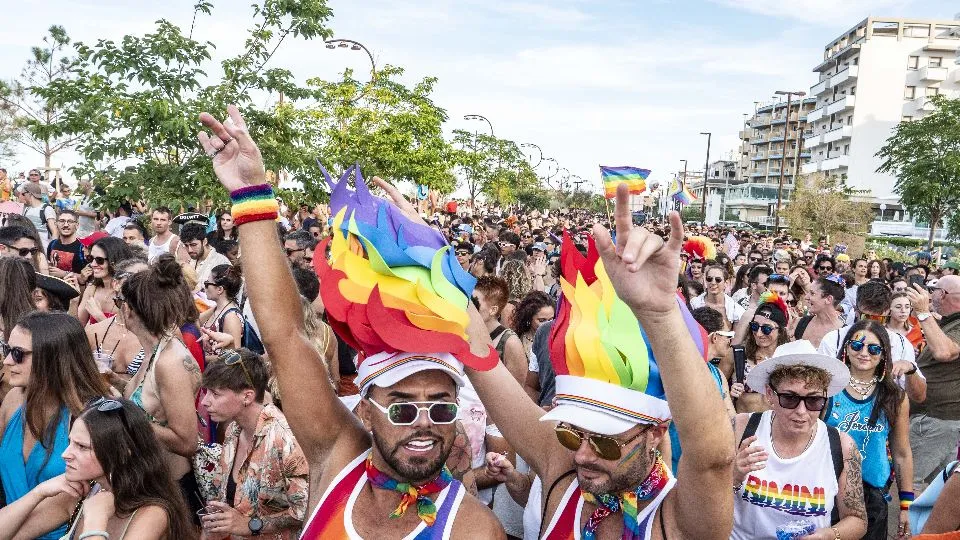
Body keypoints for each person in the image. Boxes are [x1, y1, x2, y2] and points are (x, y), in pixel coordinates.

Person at [198, 105, 505, 539]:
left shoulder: (473, 529)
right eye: (401, 406)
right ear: (364, 408)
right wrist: (251, 195)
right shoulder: (337, 458)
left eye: (441, 406)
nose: (424, 422)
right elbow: (285, 336)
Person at [463, 188, 735, 539]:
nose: (582, 456)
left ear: (654, 434)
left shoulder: (680, 521)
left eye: (605, 442)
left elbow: (713, 459)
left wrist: (660, 313)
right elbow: (482, 361)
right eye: (573, 434)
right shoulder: (562, 470)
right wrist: (428, 255)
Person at [0, 398, 196, 540]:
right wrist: (38, 492)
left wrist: (95, 522)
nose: (65, 454)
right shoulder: (81, 492)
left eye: (82, 447)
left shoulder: (153, 513)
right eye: (70, 442)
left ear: (121, 452)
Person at [731, 340, 867, 539]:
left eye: (813, 400)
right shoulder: (741, 430)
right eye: (790, 398)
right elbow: (701, 500)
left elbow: (857, 519)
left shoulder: (841, 446)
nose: (801, 412)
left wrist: (828, 535)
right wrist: (733, 476)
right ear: (770, 394)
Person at [0, 312, 111, 539]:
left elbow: (65, 506)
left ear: (51, 358)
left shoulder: (90, 415)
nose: (7, 360)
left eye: (18, 354)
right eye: (6, 349)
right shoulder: (12, 400)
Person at [119, 254, 205, 519]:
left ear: (129, 309)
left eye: (118, 301)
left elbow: (187, 441)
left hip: (171, 492)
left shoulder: (169, 360)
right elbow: (154, 401)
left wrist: (127, 416)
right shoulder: (154, 350)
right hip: (149, 484)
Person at [199, 349, 310, 539]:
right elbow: (220, 499)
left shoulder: (284, 440)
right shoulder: (233, 431)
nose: (205, 402)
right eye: (206, 392)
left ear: (247, 397)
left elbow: (304, 511)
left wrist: (251, 525)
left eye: (215, 394)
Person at [825, 320, 914, 539]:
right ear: (846, 348)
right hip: (828, 492)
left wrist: (906, 506)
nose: (864, 353)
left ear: (883, 354)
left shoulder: (895, 398)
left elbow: (902, 453)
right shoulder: (827, 390)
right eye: (857, 346)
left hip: (872, 499)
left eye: (874, 349)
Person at [818, 280, 927, 404]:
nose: (871, 325)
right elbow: (820, 387)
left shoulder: (900, 344)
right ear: (856, 311)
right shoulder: (834, 340)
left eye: (878, 319)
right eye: (866, 317)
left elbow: (919, 397)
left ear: (888, 313)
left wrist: (910, 370)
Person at [904, 276, 960, 489]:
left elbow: (944, 352)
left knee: (910, 482)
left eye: (933, 290)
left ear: (943, 294)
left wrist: (923, 313)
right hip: (937, 419)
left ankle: (908, 522)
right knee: (941, 486)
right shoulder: (950, 322)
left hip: (935, 420)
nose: (929, 294)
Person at [85, 258, 149, 390]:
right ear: (116, 284)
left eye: (147, 280)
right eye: (134, 278)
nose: (141, 285)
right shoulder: (93, 332)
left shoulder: (160, 333)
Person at [731, 293, 791, 413]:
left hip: (776, 428)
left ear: (781, 331)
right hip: (746, 426)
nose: (758, 333)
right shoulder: (738, 355)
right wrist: (729, 394)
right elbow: (717, 393)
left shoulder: (790, 359)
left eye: (767, 329)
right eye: (754, 326)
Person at [473, 276, 528, 384]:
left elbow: (517, 391)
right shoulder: (465, 333)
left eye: (475, 303)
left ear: (493, 310)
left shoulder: (509, 342)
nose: (469, 307)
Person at [77, 237, 135, 325]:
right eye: (90, 258)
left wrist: (99, 317)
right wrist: (74, 301)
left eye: (99, 260)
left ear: (115, 261)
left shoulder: (128, 294)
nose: (92, 264)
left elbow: (128, 335)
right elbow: (78, 326)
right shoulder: (92, 288)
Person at [198, 264, 245, 354]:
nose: (205, 287)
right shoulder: (217, 309)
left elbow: (232, 357)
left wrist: (200, 359)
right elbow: (195, 321)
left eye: (207, 284)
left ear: (219, 289)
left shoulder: (231, 317)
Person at [793, 276, 845, 348]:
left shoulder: (844, 333)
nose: (806, 297)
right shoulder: (800, 323)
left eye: (812, 293)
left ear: (828, 299)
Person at [180, 222, 231, 293]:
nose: (190, 250)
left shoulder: (221, 262)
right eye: (186, 245)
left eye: (193, 245)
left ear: (204, 241)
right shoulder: (190, 261)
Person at [691, 263, 745, 328]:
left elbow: (736, 337)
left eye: (718, 280)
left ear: (726, 283)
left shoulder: (736, 310)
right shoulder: (694, 304)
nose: (713, 283)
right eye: (709, 279)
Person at [47, 209, 86, 276]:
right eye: (62, 221)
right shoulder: (52, 244)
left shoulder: (83, 248)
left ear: (77, 225)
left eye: (70, 221)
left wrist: (64, 274)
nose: (66, 225)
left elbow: (87, 277)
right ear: (56, 224)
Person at [20, 182, 58, 250]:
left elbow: (54, 231)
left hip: (44, 250)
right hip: (29, 250)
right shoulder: (26, 209)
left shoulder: (46, 209)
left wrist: (52, 250)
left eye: (23, 194)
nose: (23, 196)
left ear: (30, 194)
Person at [888, 291, 925, 357]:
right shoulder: (882, 330)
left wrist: (917, 353)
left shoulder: (915, 330)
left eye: (907, 307)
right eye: (898, 307)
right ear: (889, 309)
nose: (903, 311)